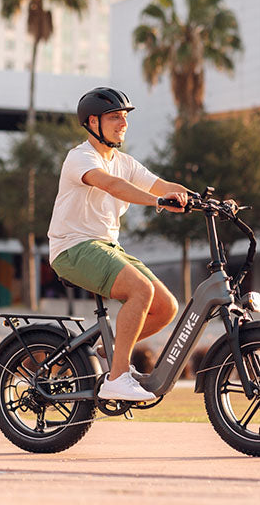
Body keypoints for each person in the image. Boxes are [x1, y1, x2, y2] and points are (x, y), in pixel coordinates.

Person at [47, 87, 189, 402]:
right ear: (92, 122)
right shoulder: (80, 157)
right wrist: (160, 202)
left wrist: (208, 202)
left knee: (166, 307)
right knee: (141, 290)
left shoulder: (124, 161)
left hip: (107, 247)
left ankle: (108, 352)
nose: (123, 123)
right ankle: (117, 377)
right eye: (115, 117)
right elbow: (112, 185)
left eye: (125, 117)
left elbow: (163, 185)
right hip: (73, 247)